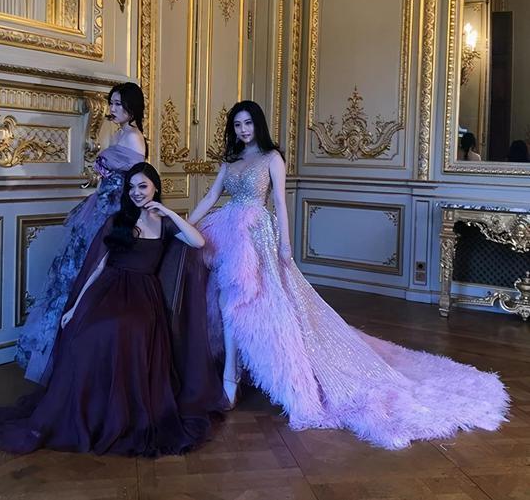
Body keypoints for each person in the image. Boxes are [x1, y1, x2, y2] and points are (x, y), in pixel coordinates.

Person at [188, 100, 509, 450]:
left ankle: (235, 378)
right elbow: (211, 196)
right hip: (231, 235)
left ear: (258, 124)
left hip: (258, 236)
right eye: (237, 125)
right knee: (230, 303)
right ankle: (234, 371)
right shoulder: (231, 161)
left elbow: (279, 203)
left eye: (248, 123)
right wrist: (185, 224)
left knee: (261, 305)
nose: (243, 130)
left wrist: (285, 245)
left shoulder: (272, 158)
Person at [0, 163, 224, 455]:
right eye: (131, 187)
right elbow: (97, 267)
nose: (136, 192)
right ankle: (89, 408)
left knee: (128, 328)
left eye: (142, 186)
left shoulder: (165, 223)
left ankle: (123, 409)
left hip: (143, 294)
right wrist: (76, 306)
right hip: (108, 288)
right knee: (90, 332)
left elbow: (198, 241)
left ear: (155, 187)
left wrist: (168, 212)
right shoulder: (117, 220)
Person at [16, 82, 148, 383]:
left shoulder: (134, 138)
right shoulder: (120, 133)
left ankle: (84, 357)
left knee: (89, 270)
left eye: (118, 104)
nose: (112, 109)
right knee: (69, 271)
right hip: (99, 205)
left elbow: (135, 182)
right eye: (111, 103)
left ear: (132, 107)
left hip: (112, 210)